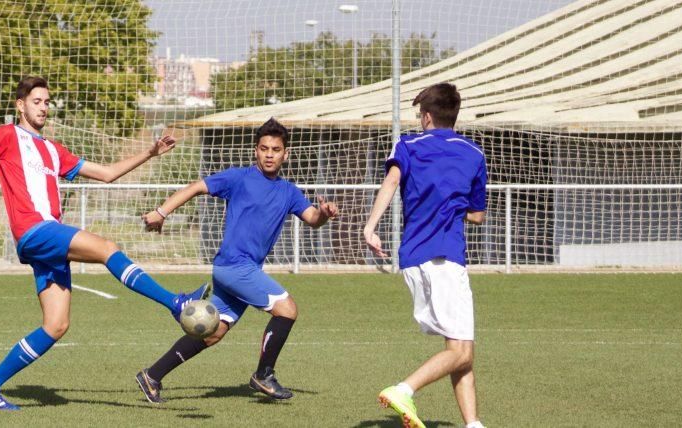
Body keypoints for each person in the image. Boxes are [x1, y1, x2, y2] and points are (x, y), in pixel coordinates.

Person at [0, 76, 209, 411]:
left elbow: (107, 174)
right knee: (107, 248)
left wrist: (150, 152)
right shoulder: (6, 135)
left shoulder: (53, 150)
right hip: (35, 231)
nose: (43, 107)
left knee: (56, 326)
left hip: (47, 236)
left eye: (47, 102)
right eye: (36, 101)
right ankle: (176, 303)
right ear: (20, 105)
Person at [134, 118, 338, 403]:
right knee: (287, 309)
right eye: (264, 148)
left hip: (243, 270)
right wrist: (161, 212)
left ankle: (152, 375)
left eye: (275, 149)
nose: (269, 154)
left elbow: (313, 219)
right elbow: (195, 187)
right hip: (234, 266)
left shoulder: (289, 191)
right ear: (256, 151)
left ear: (286, 154)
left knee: (213, 332)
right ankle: (264, 374)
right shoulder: (239, 178)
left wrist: (324, 213)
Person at [363, 83, 488, 428]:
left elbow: (391, 182)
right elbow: (478, 215)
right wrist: (453, 207)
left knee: (460, 349)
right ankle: (404, 389)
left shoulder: (407, 145)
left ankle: (473, 424)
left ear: (428, 116)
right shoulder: (473, 154)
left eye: (420, 115)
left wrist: (370, 227)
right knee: (461, 350)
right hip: (445, 258)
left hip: (413, 258)